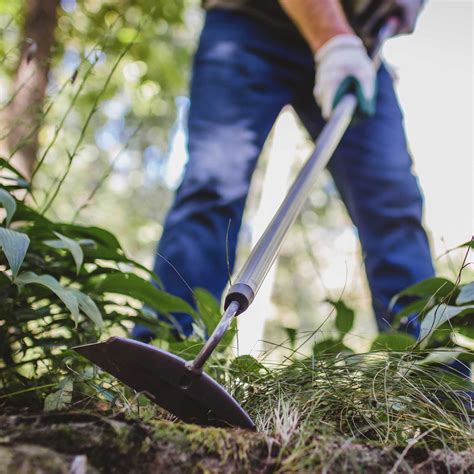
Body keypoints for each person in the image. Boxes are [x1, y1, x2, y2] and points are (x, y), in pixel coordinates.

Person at [133, 0, 434, 342]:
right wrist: (334, 42)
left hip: (361, 49)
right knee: (213, 186)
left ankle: (430, 375)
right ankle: (163, 352)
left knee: (393, 207)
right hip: (250, 21)